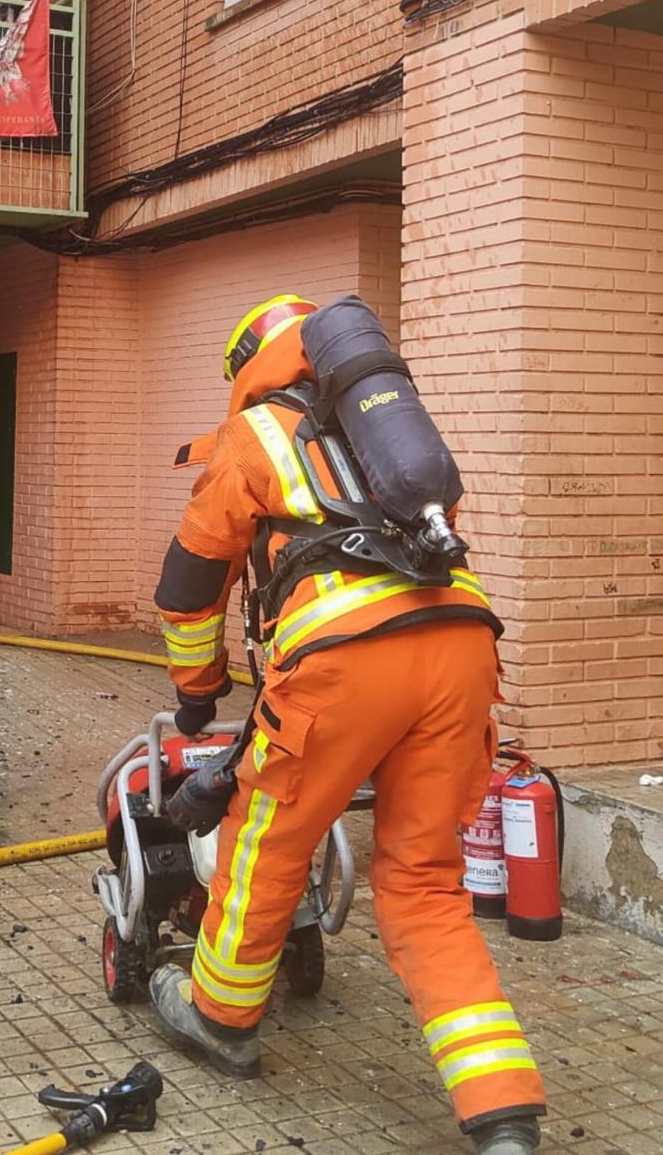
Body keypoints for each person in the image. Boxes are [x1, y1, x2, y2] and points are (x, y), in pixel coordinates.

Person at [149, 295, 546, 1155]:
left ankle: (220, 1016)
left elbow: (190, 589)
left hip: (344, 663)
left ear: (248, 365)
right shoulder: (395, 436)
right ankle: (503, 1108)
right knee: (425, 882)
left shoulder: (253, 436)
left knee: (268, 840)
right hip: (462, 649)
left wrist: (198, 693)